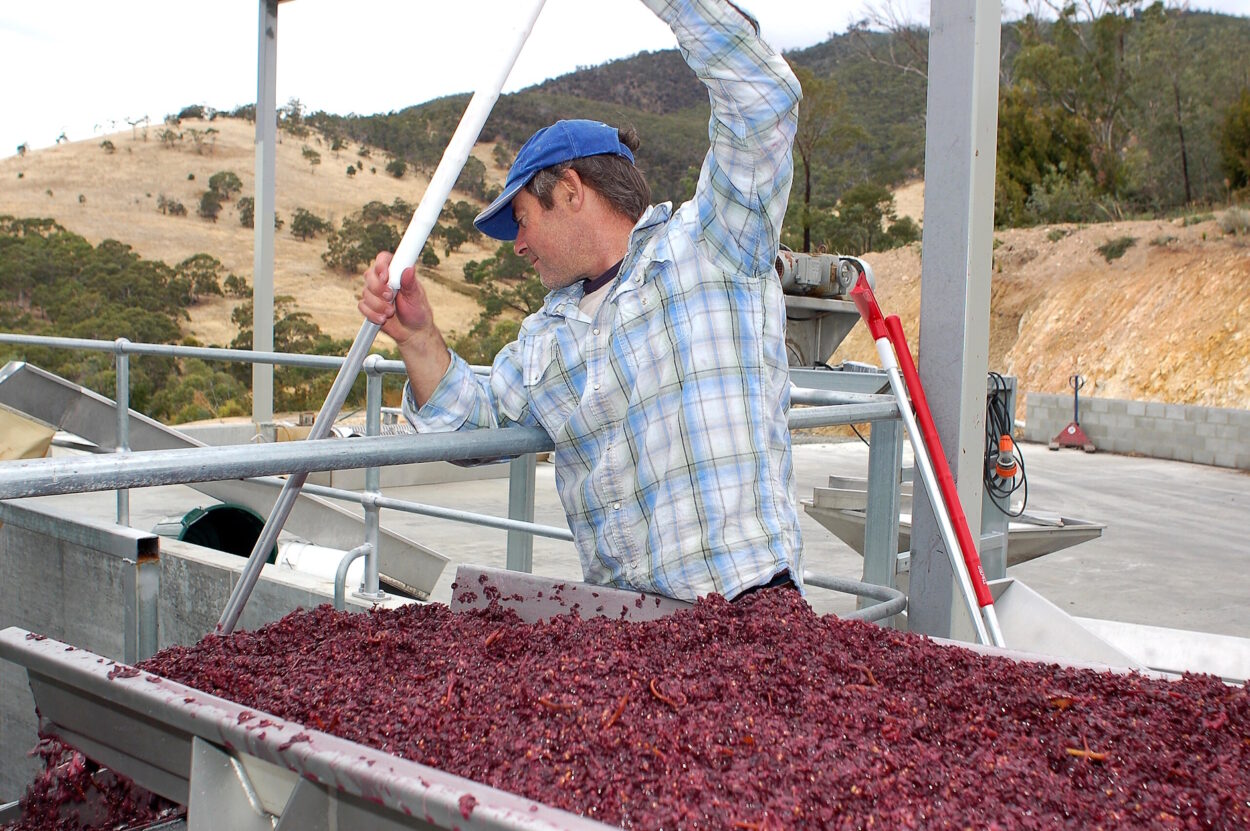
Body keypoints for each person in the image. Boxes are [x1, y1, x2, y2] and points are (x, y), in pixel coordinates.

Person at [359, 0, 803, 602]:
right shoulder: (550, 334)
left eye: (521, 220)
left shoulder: (712, 245)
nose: (517, 246)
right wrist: (418, 337)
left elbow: (764, 98)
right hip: (621, 628)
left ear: (569, 191)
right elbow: (475, 417)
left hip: (744, 613)